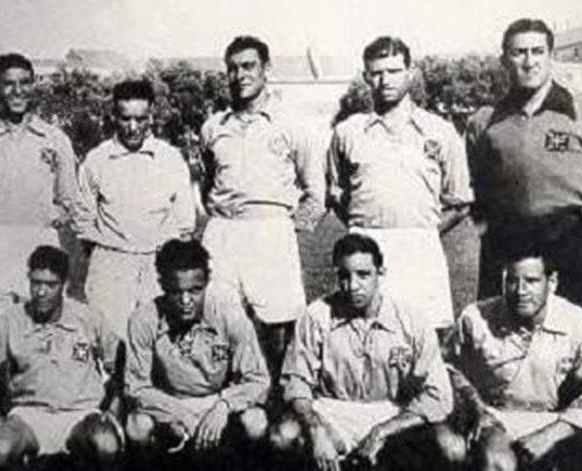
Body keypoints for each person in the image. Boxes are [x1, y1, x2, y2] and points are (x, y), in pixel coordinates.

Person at [466, 18, 582, 319]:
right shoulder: (485, 121)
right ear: (504, 60)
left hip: (568, 238)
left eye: (537, 51)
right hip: (505, 238)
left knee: (573, 334)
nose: (528, 62)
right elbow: (473, 183)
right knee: (499, 333)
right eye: (518, 52)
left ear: (551, 56)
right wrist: (485, 229)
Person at [271, 234, 458, 471]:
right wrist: (315, 428)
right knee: (283, 436)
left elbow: (437, 395)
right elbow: (296, 384)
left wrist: (382, 431)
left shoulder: (413, 321)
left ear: (381, 273)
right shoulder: (316, 316)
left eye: (363, 274)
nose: (353, 286)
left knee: (446, 446)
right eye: (344, 276)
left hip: (392, 412)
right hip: (333, 411)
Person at [200, 35, 325, 389]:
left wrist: (285, 229)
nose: (240, 75)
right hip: (224, 231)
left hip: (271, 231)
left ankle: (274, 402)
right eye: (233, 68)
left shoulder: (293, 124)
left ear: (267, 69)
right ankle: (227, 402)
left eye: (249, 66)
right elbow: (208, 183)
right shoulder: (213, 127)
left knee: (278, 323)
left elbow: (317, 192)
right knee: (218, 318)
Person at [327, 36, 473, 332]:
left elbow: (460, 203)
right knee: (363, 334)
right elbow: (336, 194)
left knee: (426, 339)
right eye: (377, 72)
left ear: (410, 71)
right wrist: (360, 229)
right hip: (365, 248)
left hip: (420, 247)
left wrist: (424, 232)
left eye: (393, 71)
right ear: (366, 75)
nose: (385, 80)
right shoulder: (348, 132)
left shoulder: (440, 131)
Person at [450, 244, 582, 471]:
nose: (520, 291)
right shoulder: (475, 318)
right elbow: (448, 370)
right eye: (511, 280)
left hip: (559, 419)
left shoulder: (578, 323)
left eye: (531, 281)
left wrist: (553, 433)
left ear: (552, 283)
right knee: (497, 461)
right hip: (498, 418)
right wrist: (476, 408)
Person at [124, 239, 270, 467]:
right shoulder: (144, 319)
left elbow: (258, 379)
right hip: (169, 403)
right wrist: (178, 413)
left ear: (206, 283)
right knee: (136, 426)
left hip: (217, 401)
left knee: (256, 421)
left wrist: (223, 406)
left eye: (194, 291)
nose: (185, 301)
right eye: (176, 292)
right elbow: (136, 386)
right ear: (162, 285)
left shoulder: (230, 316)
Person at [74, 79, 196, 339]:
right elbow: (83, 223)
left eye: (140, 119)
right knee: (109, 343)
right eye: (125, 118)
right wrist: (109, 254)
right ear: (113, 116)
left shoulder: (170, 158)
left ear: (151, 115)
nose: (132, 127)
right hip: (111, 264)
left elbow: (185, 224)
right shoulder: (96, 160)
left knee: (159, 341)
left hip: (158, 263)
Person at [0, 53, 81, 325]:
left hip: (39, 242)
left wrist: (54, 216)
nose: (17, 91)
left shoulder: (55, 138)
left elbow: (69, 199)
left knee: (41, 331)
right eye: (9, 84)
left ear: (34, 85)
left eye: (24, 83)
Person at [0, 245, 122, 470]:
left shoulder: (88, 317)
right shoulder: (11, 320)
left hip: (81, 413)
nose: (41, 292)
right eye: (36, 283)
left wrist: (114, 410)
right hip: (30, 414)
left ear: (65, 285)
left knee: (106, 444)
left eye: (50, 285)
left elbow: (121, 365)